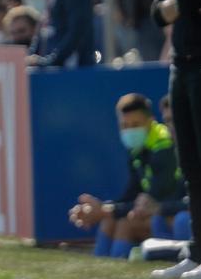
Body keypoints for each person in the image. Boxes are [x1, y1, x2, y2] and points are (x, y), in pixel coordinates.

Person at [151, 0, 201, 279]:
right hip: (182, 63)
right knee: (191, 165)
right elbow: (160, 12)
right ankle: (199, 251)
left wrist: (181, 2)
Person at [68, 94, 183, 258]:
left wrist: (104, 210)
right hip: (160, 210)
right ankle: (100, 271)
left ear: (150, 121)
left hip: (170, 213)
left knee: (124, 223)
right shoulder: (137, 149)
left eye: (136, 124)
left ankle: (113, 271)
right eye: (125, 125)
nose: (130, 130)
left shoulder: (163, 147)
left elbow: (155, 199)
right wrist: (100, 209)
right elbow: (131, 195)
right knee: (111, 220)